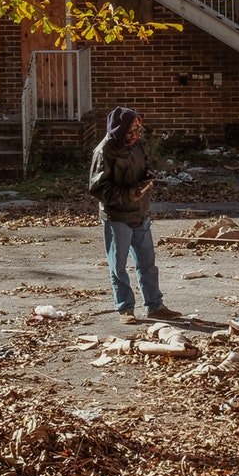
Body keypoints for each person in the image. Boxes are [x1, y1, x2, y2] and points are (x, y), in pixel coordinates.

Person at [88, 105, 180, 324]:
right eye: (131, 131)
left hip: (140, 212)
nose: (136, 135)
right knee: (119, 265)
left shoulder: (136, 145)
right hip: (116, 215)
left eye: (138, 130)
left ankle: (155, 306)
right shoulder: (104, 151)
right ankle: (125, 309)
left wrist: (147, 176)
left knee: (147, 263)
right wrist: (127, 194)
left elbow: (143, 166)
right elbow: (98, 187)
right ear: (120, 130)